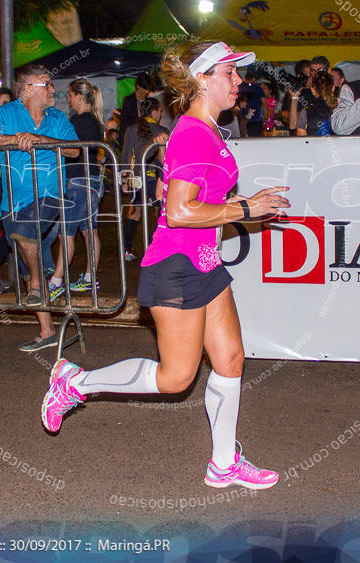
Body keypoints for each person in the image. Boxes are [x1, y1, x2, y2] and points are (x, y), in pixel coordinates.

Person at [40, 40, 290, 490]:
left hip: (205, 262)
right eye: (229, 73)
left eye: (237, 73)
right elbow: (179, 212)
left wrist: (235, 204)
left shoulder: (208, 129)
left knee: (231, 359)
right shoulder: (194, 132)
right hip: (176, 264)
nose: (238, 81)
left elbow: (193, 197)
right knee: (176, 378)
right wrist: (246, 210)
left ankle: (223, 463)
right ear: (202, 79)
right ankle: (76, 383)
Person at [0, 65, 79, 352]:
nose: (54, 90)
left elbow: (75, 149)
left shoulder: (57, 117)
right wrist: (13, 140)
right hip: (12, 203)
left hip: (50, 196)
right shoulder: (8, 115)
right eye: (48, 84)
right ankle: (48, 331)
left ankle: (35, 286)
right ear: (29, 88)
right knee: (26, 262)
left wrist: (41, 141)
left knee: (22, 235)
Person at [44, 79, 106, 299]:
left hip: (79, 181)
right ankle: (89, 278)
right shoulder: (94, 121)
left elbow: (71, 150)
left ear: (79, 97)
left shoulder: (80, 121)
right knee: (89, 230)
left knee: (66, 233)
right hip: (91, 180)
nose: (67, 99)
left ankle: (56, 282)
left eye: (70, 95)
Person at [120, 97, 170, 262]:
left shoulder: (131, 129)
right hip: (156, 179)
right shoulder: (162, 131)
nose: (160, 115)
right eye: (160, 112)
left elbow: (126, 154)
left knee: (134, 212)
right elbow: (165, 160)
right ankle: (156, 249)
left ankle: (127, 249)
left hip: (136, 178)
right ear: (155, 112)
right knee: (158, 213)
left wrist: (124, 177)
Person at [116, 72, 154, 156]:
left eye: (148, 89)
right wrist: (123, 145)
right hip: (132, 140)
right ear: (138, 86)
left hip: (146, 140)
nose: (146, 91)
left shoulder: (149, 102)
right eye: (144, 88)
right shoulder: (129, 101)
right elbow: (124, 124)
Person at [295, 70, 336, 136]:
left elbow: (302, 142)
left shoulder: (305, 113)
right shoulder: (341, 110)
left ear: (312, 90)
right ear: (333, 88)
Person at [239, 71, 265, 137]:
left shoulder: (240, 87)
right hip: (256, 119)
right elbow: (264, 103)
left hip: (242, 118)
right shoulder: (258, 89)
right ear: (253, 79)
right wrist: (266, 117)